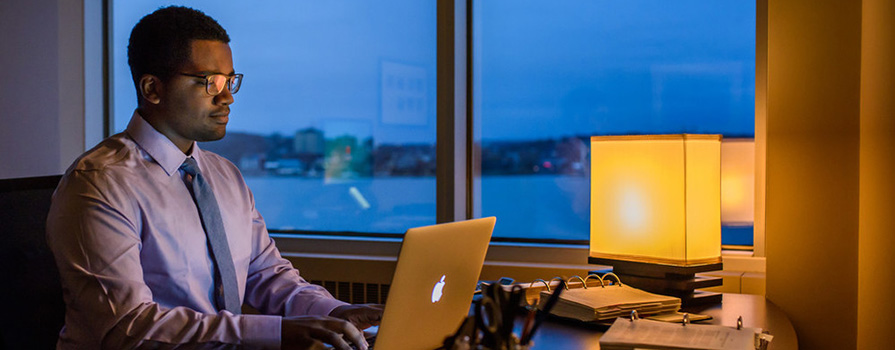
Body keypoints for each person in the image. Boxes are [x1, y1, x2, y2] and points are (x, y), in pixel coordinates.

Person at [46, 6, 381, 349]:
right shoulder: (99, 184)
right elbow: (127, 327)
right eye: (210, 82)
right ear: (152, 88)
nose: (227, 97)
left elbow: (265, 274)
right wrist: (278, 332)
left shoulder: (224, 175)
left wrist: (337, 312)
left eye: (230, 80)